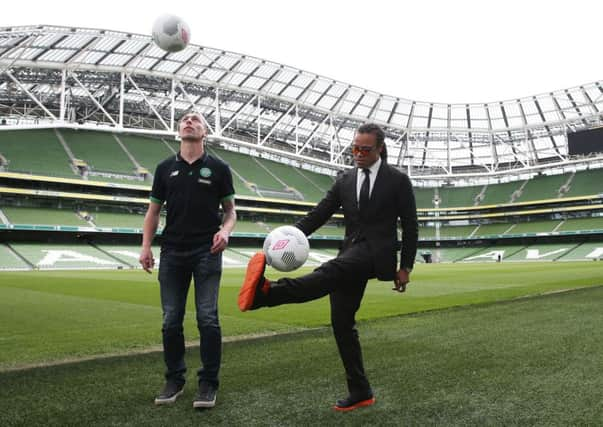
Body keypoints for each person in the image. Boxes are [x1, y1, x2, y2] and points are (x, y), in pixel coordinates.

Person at [238, 122, 418, 411]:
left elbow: (410, 225)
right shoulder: (345, 179)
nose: (357, 153)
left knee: (330, 271)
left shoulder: (397, 180)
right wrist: (284, 239)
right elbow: (319, 214)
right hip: (351, 250)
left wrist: (405, 266)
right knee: (342, 324)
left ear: (380, 149)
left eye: (365, 149)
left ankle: (266, 294)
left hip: (376, 254)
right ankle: (361, 392)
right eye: (354, 148)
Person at [139, 111, 236, 409]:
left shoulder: (219, 168)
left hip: (207, 251)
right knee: (170, 321)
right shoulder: (164, 168)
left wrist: (225, 230)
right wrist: (146, 247)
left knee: (207, 319)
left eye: (195, 120)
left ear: (205, 132)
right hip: (172, 252)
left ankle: (208, 384)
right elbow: (153, 212)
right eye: (184, 119)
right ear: (179, 130)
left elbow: (231, 212)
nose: (189, 122)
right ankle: (175, 379)